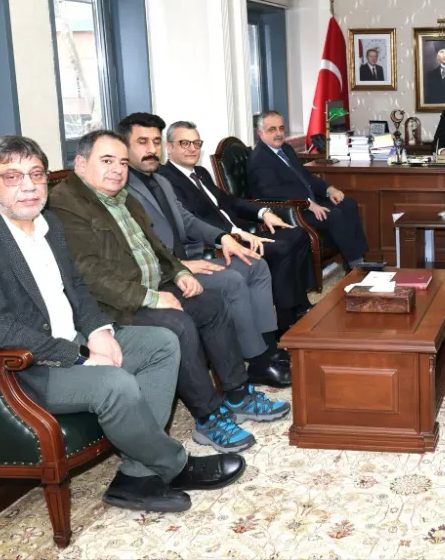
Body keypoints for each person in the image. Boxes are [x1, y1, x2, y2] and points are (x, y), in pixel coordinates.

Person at [0, 135, 245, 513]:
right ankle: (175, 464)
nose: (29, 186)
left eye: (37, 174)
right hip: (16, 367)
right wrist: (81, 355)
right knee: (115, 383)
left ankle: (137, 477)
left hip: (70, 337)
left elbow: (76, 287)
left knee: (162, 342)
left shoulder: (46, 221)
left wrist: (99, 331)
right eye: (12, 176)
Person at [50, 130, 290, 454]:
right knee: (179, 324)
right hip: (113, 304)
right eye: (107, 161)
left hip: (152, 285)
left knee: (210, 303)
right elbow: (88, 274)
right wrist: (151, 298)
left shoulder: (123, 197)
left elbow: (156, 246)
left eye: (122, 162)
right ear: (80, 164)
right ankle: (208, 416)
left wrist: (179, 272)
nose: (117, 170)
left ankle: (237, 393)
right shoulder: (65, 205)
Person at [116, 112, 291, 389]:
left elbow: (187, 220)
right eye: (142, 142)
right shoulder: (121, 188)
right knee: (232, 281)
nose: (151, 149)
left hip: (186, 260)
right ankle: (257, 362)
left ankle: (268, 347)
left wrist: (223, 237)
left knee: (255, 264)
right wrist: (179, 265)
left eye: (156, 142)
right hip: (165, 273)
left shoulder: (160, 180)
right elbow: (138, 245)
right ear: (125, 146)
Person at [160, 119, 316, 338]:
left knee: (298, 234)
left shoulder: (200, 172)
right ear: (169, 147)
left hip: (241, 231)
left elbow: (230, 201)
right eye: (185, 143)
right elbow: (191, 221)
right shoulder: (165, 180)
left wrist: (263, 212)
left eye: (196, 143)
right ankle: (285, 319)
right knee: (281, 248)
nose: (192, 149)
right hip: (221, 243)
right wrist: (234, 234)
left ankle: (299, 304)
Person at [248, 110, 374, 271]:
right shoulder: (260, 159)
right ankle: (357, 267)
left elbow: (305, 176)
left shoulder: (285, 149)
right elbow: (272, 193)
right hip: (289, 211)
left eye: (281, 128)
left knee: (349, 204)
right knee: (335, 214)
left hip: (307, 202)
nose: (279, 133)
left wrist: (329, 189)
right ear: (260, 133)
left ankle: (359, 260)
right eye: (272, 129)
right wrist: (307, 203)